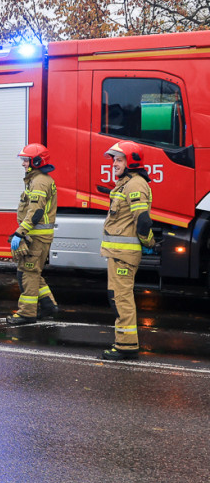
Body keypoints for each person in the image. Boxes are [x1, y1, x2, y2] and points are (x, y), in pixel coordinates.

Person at [99, 141, 156, 361]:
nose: (114, 163)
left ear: (131, 161)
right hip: (117, 254)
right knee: (117, 297)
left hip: (124, 256)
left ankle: (126, 345)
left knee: (121, 298)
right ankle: (124, 342)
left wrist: (148, 242)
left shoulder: (135, 184)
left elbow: (142, 220)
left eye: (119, 159)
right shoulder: (127, 183)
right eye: (114, 159)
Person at [6, 143, 59, 325]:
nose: (23, 164)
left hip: (36, 236)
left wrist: (20, 233)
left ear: (36, 161)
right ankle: (48, 305)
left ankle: (26, 313)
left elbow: (35, 212)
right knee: (31, 271)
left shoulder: (39, 181)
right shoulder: (36, 179)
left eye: (26, 160)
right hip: (35, 235)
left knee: (28, 273)